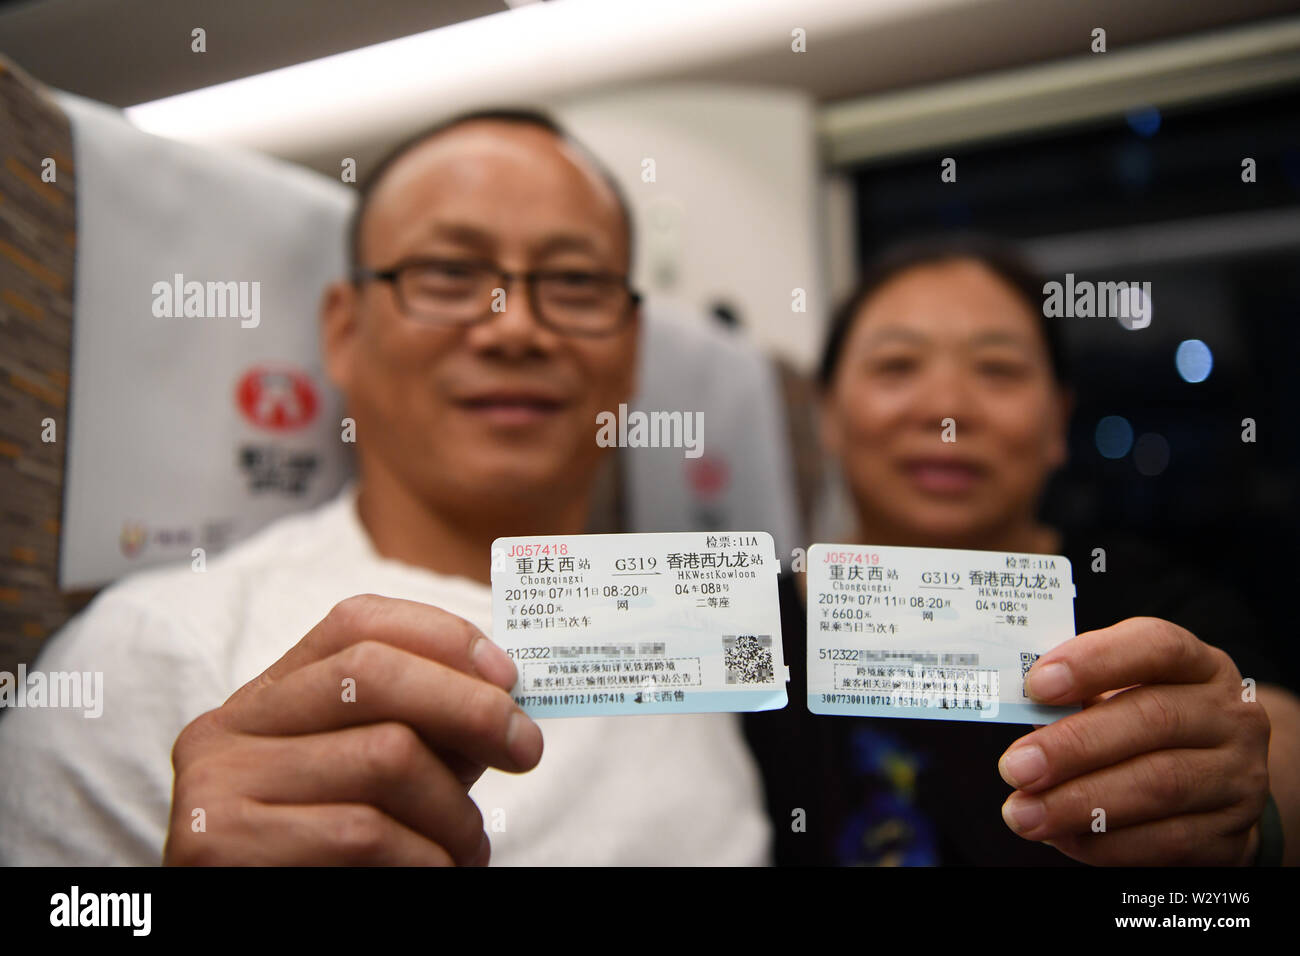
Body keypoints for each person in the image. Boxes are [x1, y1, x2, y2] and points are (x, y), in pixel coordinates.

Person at [0, 110, 774, 865]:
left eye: (574, 282)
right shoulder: (160, 652)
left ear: (631, 350)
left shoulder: (695, 626)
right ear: (344, 331)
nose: (515, 328)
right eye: (449, 275)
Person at [762, 234, 1299, 865]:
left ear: (1057, 423)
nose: (947, 411)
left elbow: (1271, 736)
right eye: (897, 366)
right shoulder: (750, 631)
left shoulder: (1149, 603)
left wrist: (1244, 803)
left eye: (999, 370)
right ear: (828, 412)